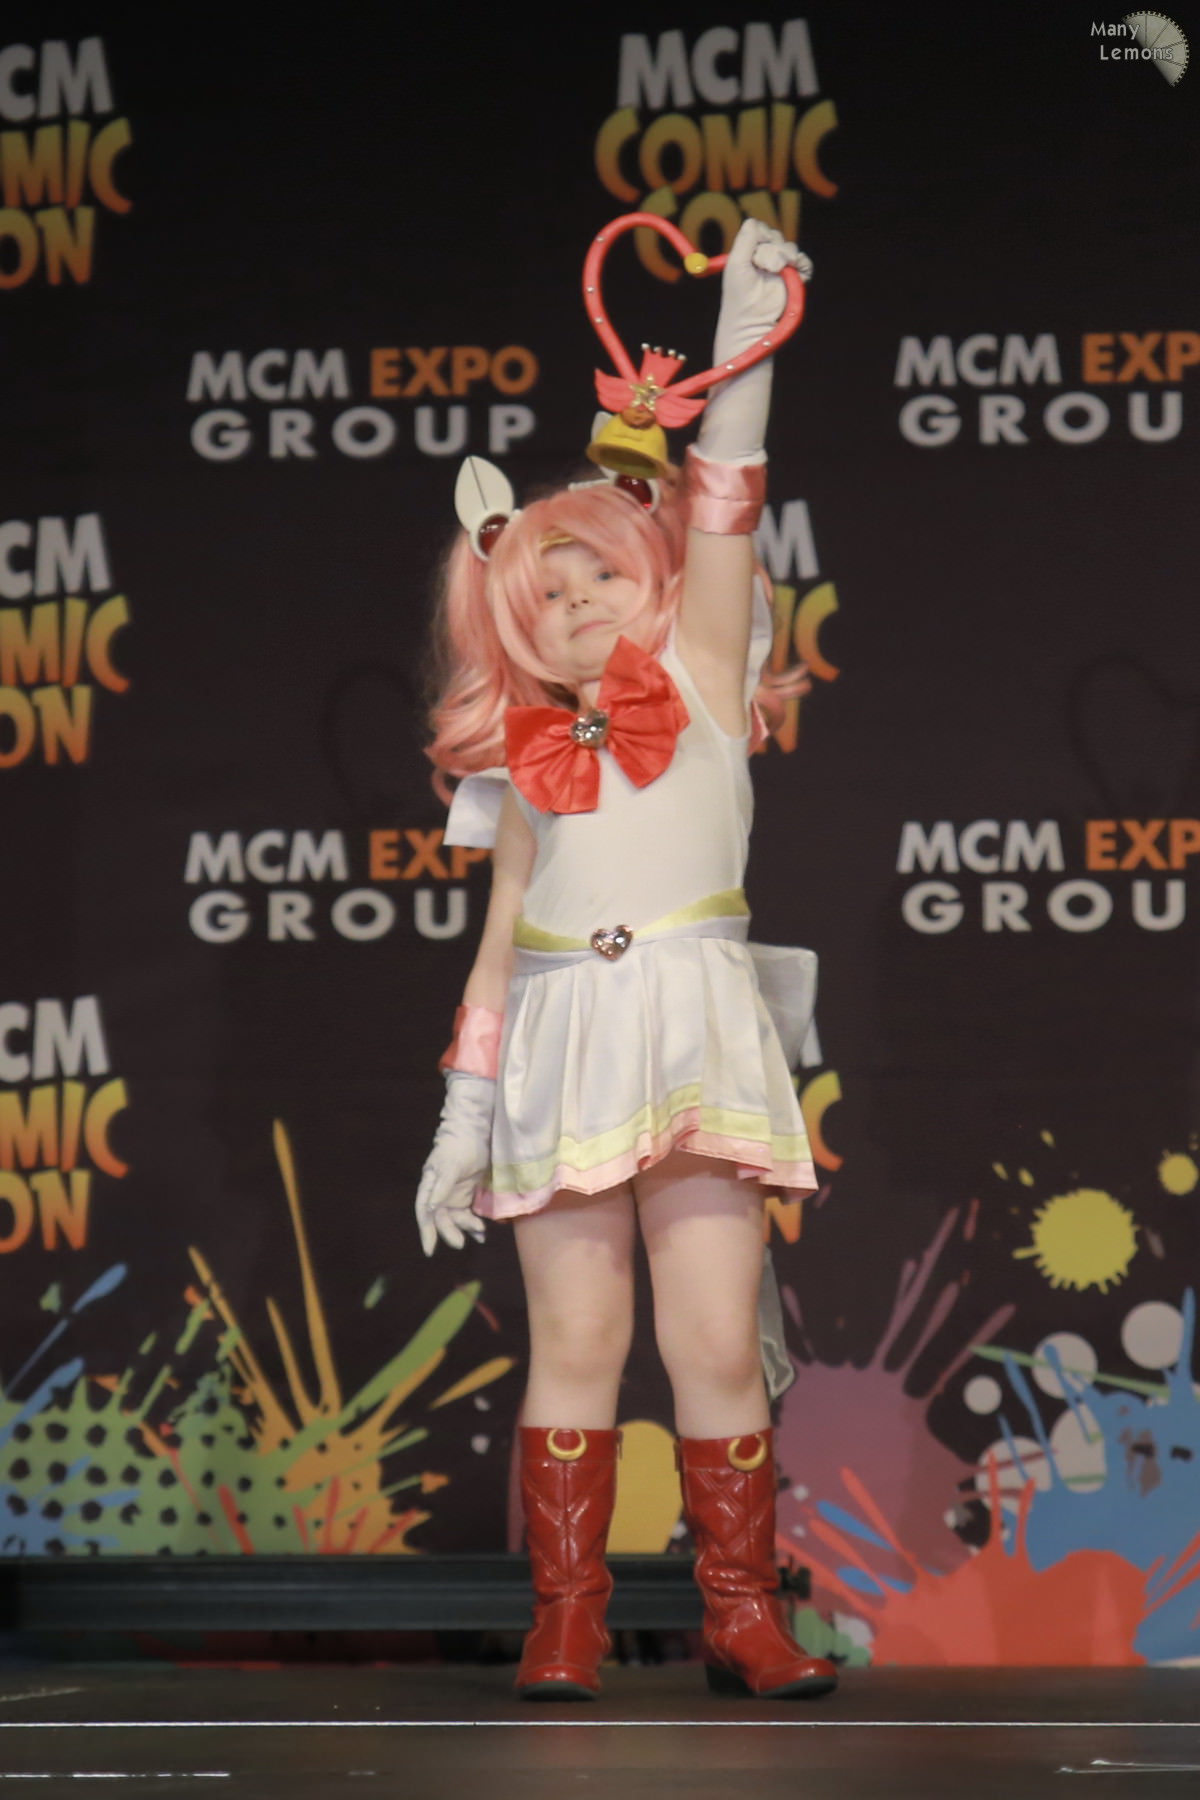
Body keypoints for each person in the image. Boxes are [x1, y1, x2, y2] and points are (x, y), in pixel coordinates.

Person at [415, 220, 837, 1705]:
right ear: (509, 621)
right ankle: (566, 1623)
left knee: (714, 1337)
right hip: (562, 1038)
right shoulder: (521, 767)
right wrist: (463, 1119)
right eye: (546, 590)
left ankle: (744, 1617)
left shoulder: (707, 682)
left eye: (598, 570)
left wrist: (743, 345)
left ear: (646, 574)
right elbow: (497, 950)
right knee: (577, 1337)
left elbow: (726, 496)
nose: (576, 600)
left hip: (696, 1026)